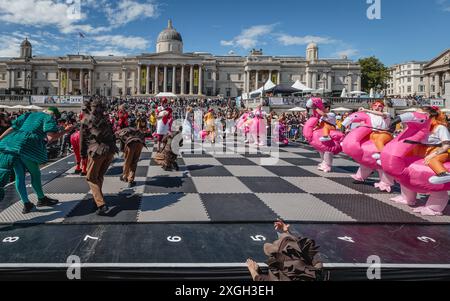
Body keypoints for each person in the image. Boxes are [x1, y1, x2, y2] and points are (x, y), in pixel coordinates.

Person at [0, 107, 73, 213]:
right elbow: (51, 138)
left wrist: (0, 138)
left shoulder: (30, 114)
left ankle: (26, 203)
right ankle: (41, 199)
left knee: (19, 175)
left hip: (11, 143)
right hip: (26, 145)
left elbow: (13, 128)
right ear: (54, 115)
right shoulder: (48, 117)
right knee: (35, 173)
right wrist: (66, 130)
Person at [246, 220, 325, 281]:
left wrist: (253, 270)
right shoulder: (314, 273)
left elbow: (258, 279)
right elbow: (310, 252)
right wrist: (287, 232)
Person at [390, 106, 450, 184]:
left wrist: (432, 155)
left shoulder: (440, 128)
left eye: (419, 113)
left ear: (428, 116)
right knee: (403, 155)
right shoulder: (420, 127)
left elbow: (446, 145)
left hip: (437, 151)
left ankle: (443, 173)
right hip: (421, 149)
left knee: (431, 160)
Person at [80, 99, 118, 216]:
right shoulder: (106, 119)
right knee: (99, 176)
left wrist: (82, 154)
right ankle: (98, 198)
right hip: (110, 150)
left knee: (91, 178)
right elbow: (112, 134)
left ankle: (101, 204)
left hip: (97, 151)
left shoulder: (86, 120)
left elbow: (82, 139)